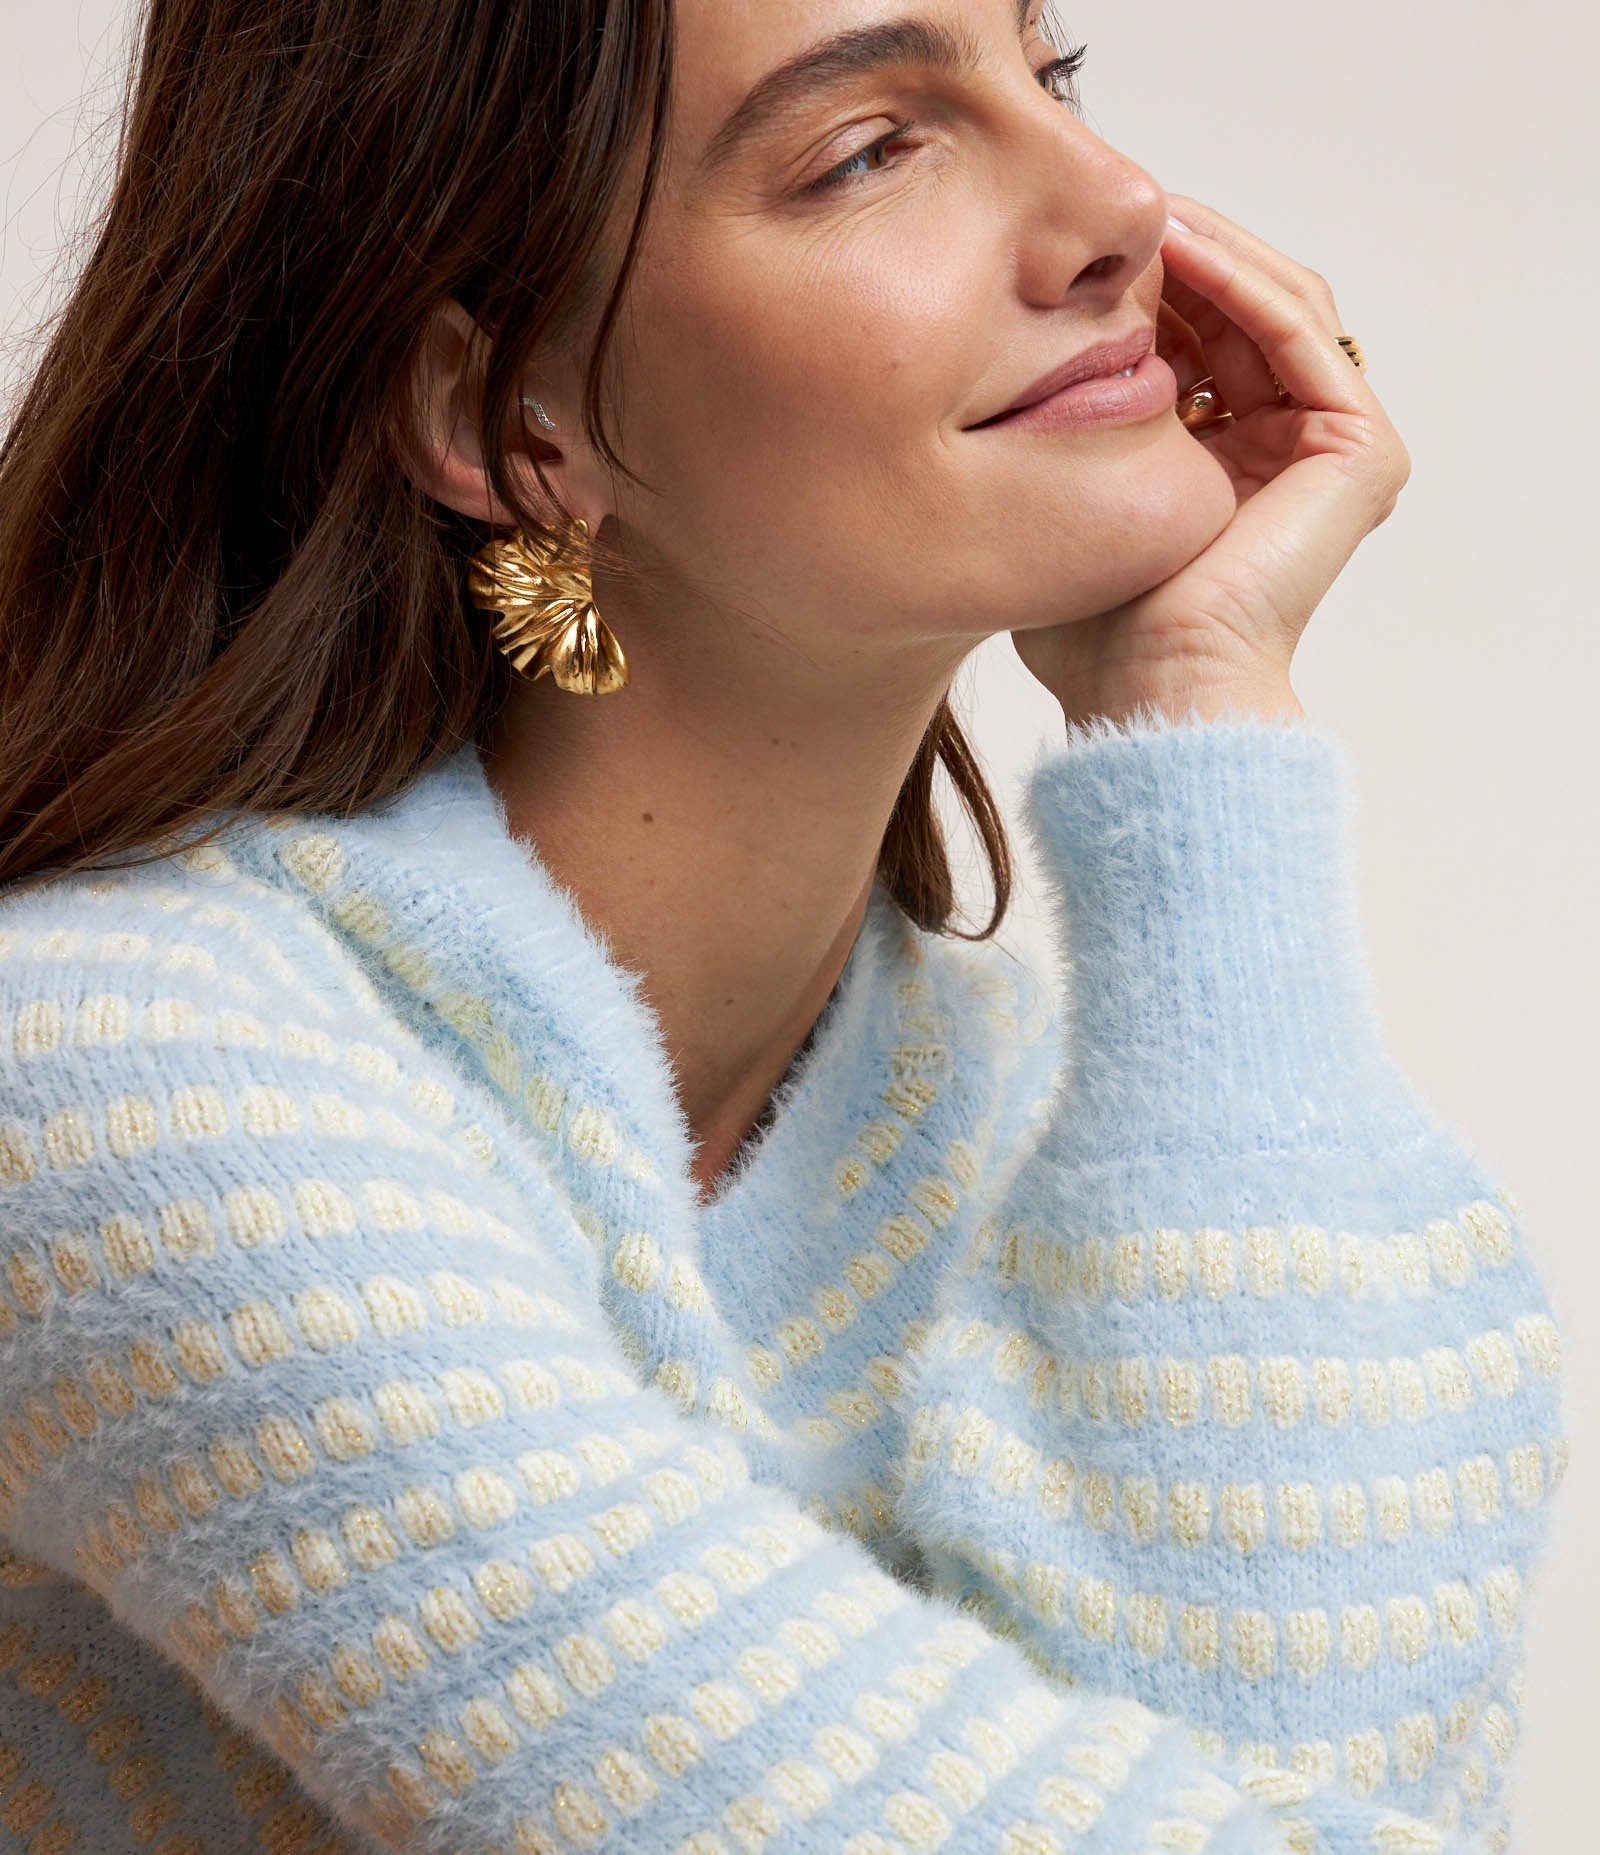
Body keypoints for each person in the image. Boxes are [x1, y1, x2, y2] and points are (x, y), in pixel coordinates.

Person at [0, 2, 1567, 1852]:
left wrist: (1204, 717)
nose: (1120, 206)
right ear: (506, 417)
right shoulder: (109, 1080)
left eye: (1049, 78)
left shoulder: (1086, 1132)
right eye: (871, 150)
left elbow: (1321, 1771)